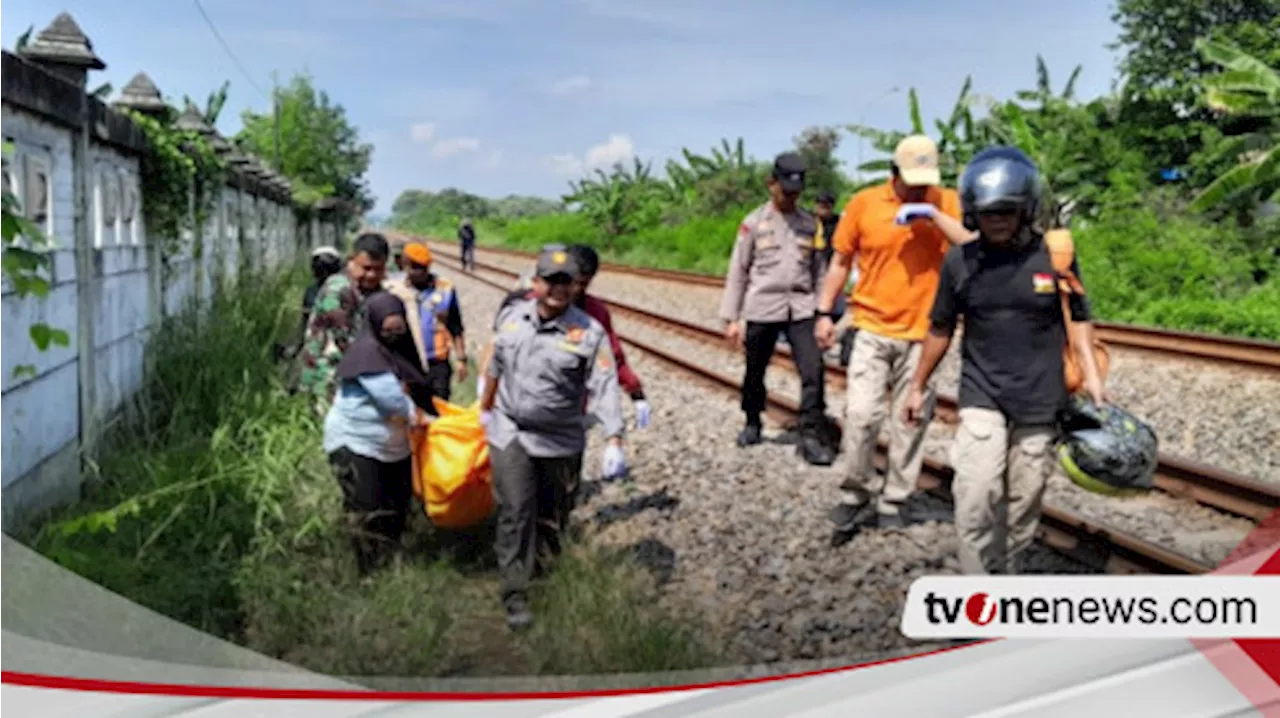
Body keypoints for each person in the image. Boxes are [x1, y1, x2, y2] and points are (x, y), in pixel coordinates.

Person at [902, 146, 1107, 575]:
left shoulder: (1055, 257)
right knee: (977, 492)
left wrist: (1092, 376)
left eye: (1007, 212)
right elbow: (940, 328)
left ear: (1026, 210)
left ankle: (1007, 575)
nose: (997, 221)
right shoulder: (961, 261)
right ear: (974, 213)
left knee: (1025, 497)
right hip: (982, 393)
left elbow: (1080, 318)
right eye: (988, 212)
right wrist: (917, 384)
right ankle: (976, 584)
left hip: (1040, 397)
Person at [814, 134, 976, 541]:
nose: (921, 187)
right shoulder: (864, 204)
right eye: (913, 180)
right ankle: (855, 492)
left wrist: (932, 215)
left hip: (925, 333)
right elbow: (839, 261)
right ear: (894, 172)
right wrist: (823, 312)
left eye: (926, 180)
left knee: (910, 421)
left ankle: (894, 500)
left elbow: (973, 246)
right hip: (871, 325)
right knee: (861, 415)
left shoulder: (947, 202)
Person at [479, 244, 628, 630]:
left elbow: (604, 384)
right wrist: (484, 407)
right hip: (512, 432)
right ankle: (515, 595)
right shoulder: (512, 318)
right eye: (551, 281)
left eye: (567, 282)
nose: (559, 289)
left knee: (553, 516)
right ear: (536, 282)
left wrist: (614, 438)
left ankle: (545, 581)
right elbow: (495, 365)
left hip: (561, 440)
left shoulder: (589, 332)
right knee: (515, 512)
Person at [718, 151, 835, 466]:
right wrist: (732, 318)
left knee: (813, 370)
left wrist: (824, 314)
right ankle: (752, 420)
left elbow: (820, 272)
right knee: (755, 369)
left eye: (796, 193)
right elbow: (738, 271)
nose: (790, 197)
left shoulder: (811, 224)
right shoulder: (753, 224)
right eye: (785, 191)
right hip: (762, 307)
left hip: (801, 308)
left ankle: (810, 433)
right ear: (771, 184)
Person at [478, 245, 652, 430]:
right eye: (570, 281)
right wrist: (485, 391)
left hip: (566, 417)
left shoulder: (595, 314)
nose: (574, 290)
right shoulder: (523, 306)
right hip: (516, 413)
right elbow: (497, 348)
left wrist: (636, 393)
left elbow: (611, 356)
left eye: (582, 284)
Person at [323, 292, 434, 576]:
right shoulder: (366, 352)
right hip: (356, 443)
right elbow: (391, 399)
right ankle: (369, 573)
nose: (395, 334)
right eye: (388, 329)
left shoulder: (397, 353)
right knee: (368, 507)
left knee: (396, 503)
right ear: (373, 324)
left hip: (392, 446)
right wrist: (419, 416)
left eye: (400, 329)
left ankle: (391, 561)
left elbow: (415, 387)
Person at [298, 232, 392, 417]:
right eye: (366, 268)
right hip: (327, 375)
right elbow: (348, 341)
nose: (372, 275)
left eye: (378, 269)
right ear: (351, 261)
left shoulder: (371, 289)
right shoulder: (338, 289)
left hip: (352, 375)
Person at [387, 242, 469, 408]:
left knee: (439, 408)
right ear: (404, 264)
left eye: (423, 267)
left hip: (437, 362)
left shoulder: (445, 289)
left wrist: (461, 359)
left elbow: (455, 325)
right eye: (415, 267)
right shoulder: (393, 289)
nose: (419, 272)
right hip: (407, 361)